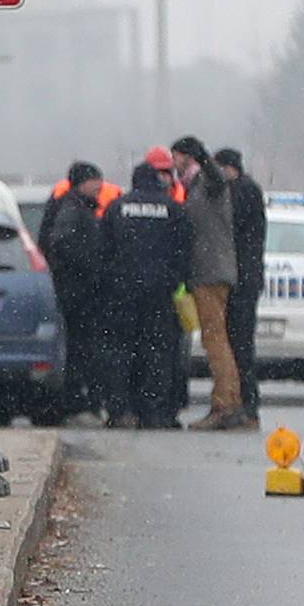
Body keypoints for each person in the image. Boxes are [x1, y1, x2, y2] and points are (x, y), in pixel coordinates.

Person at [100, 156, 190, 429]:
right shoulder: (172, 209)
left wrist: (112, 282)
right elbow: (184, 251)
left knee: (121, 351)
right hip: (160, 294)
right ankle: (155, 412)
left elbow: (104, 250)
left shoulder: (116, 208)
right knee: (158, 353)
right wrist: (173, 280)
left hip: (122, 293)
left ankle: (122, 410)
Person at [169, 135, 247, 430]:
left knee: (215, 339)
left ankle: (225, 405)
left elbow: (217, 178)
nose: (173, 163)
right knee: (216, 338)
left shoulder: (207, 183)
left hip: (211, 272)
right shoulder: (193, 187)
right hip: (206, 271)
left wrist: (203, 157)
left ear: (187, 157)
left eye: (176, 156)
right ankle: (231, 400)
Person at [40, 161, 113, 417]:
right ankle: (76, 400)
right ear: (83, 182)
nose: (100, 186)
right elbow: (61, 244)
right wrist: (89, 268)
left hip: (78, 290)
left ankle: (79, 399)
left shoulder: (80, 207)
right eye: (96, 181)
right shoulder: (72, 209)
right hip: (76, 292)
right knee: (80, 347)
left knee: (80, 346)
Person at [215, 148, 267, 428]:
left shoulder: (241, 191)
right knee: (241, 343)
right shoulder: (250, 190)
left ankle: (246, 405)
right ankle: (244, 404)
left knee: (239, 343)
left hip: (241, 279)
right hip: (246, 277)